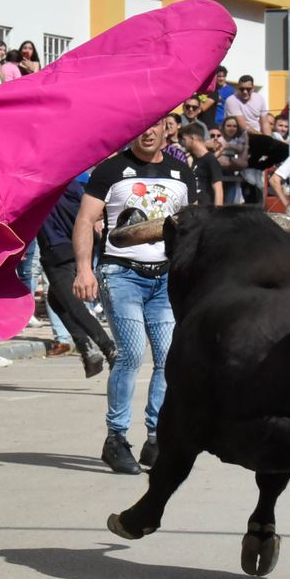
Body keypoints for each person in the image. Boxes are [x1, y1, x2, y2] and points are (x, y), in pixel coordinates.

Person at [72, 123, 191, 475]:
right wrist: (84, 269)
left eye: (155, 125)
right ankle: (116, 439)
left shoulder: (181, 172)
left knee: (168, 359)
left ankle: (156, 438)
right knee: (131, 354)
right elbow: (85, 219)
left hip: (165, 277)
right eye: (141, 126)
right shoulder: (111, 170)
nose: (148, 132)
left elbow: (193, 225)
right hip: (121, 274)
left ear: (167, 129)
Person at [38, 173, 116, 378]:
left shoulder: (33, 185)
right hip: (81, 247)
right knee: (56, 300)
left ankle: (108, 349)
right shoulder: (71, 179)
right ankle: (87, 350)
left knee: (72, 305)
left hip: (57, 251)